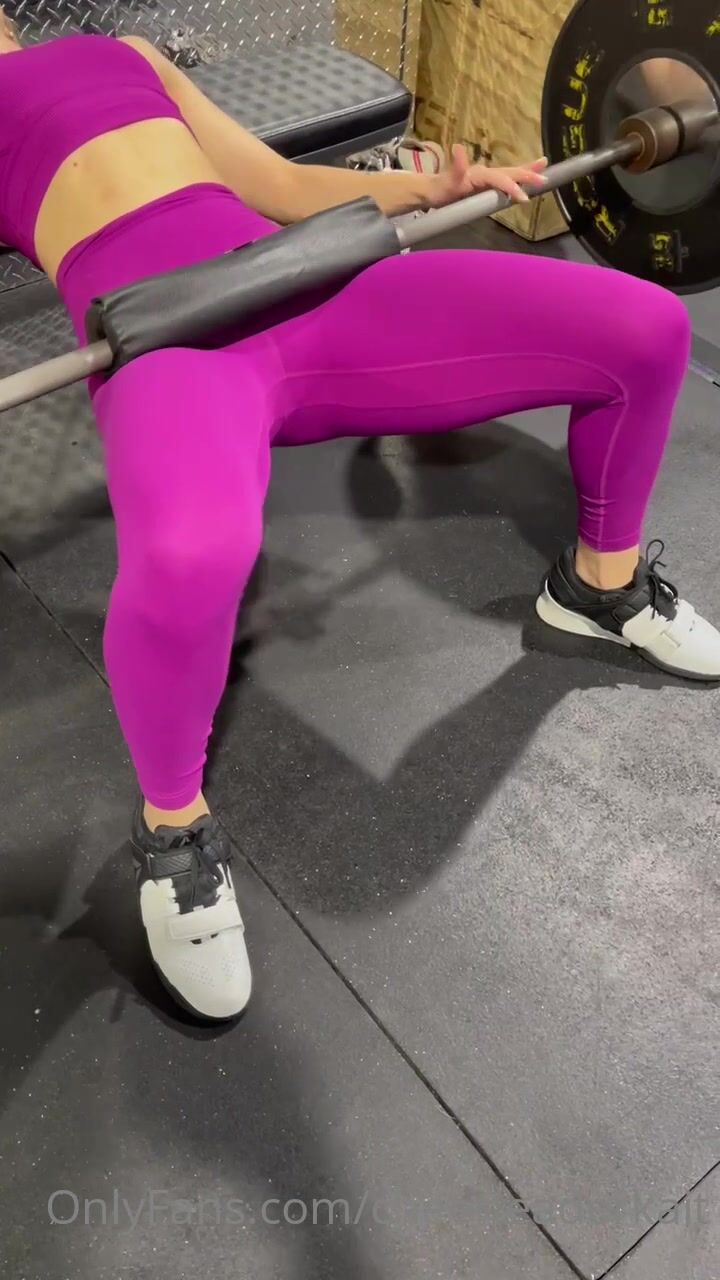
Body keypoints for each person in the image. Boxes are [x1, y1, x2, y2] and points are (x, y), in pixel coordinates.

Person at [0, 14, 718, 1021]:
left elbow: (277, 183)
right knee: (195, 551)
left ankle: (600, 588)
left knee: (644, 329)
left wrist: (429, 190)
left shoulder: (123, 54)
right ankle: (174, 831)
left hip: (308, 282)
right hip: (169, 343)